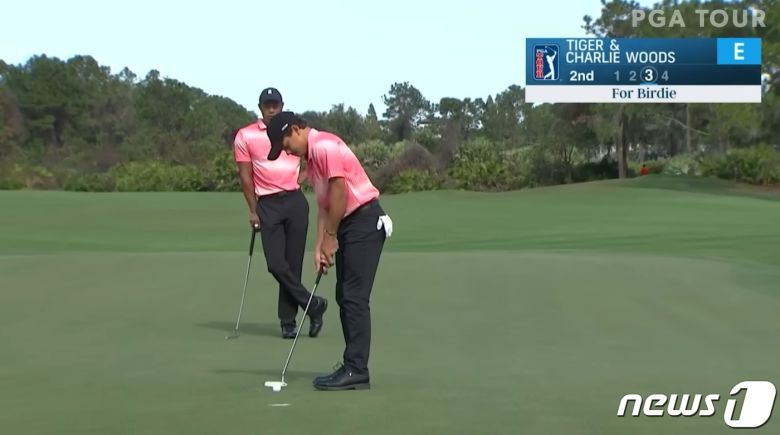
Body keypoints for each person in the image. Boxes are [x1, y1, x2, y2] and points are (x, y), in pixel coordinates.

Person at [266, 111, 393, 391]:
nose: (286, 151)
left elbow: (339, 192)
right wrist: (319, 247)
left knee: (354, 297)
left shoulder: (324, 146)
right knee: (344, 295)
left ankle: (357, 369)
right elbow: (324, 206)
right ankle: (352, 366)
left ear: (295, 129)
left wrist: (331, 237)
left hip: (364, 221)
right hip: (349, 224)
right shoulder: (313, 160)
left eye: (285, 144)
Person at [233, 89, 328, 339]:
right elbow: (245, 176)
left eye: (275, 104)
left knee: (293, 265)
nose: (272, 109)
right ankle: (312, 304)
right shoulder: (245, 135)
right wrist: (252, 210)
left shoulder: (294, 131)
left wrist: (304, 176)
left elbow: (313, 155)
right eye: (267, 105)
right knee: (276, 264)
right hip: (267, 204)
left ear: (282, 105)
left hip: (295, 201)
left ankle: (288, 321)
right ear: (260, 107)